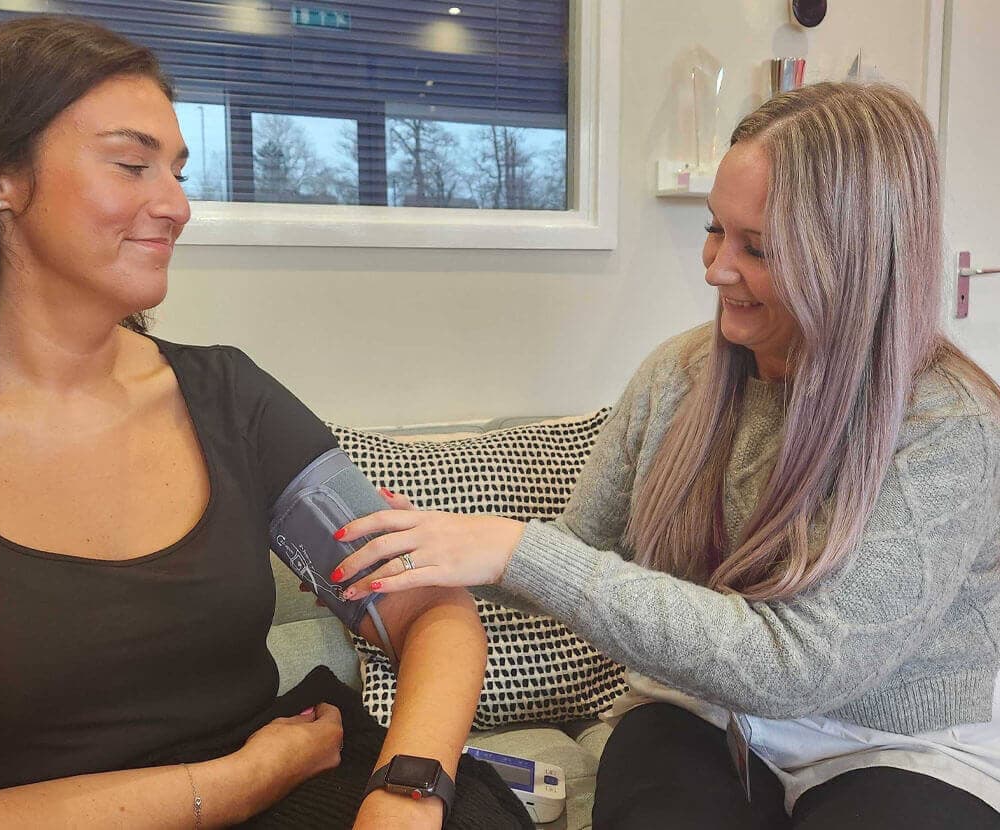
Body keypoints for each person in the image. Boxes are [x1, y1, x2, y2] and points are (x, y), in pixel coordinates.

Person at [335, 82, 1000, 829]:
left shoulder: (949, 425)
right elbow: (578, 550)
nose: (715, 268)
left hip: (895, 745)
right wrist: (435, 549)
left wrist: (514, 550)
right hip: (700, 716)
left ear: (858, 257)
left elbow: (798, 665)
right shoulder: (677, 376)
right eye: (715, 229)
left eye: (760, 247)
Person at [0, 17, 497, 829]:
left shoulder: (227, 395)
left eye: (178, 170)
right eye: (132, 164)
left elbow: (427, 606)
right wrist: (241, 779)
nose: (177, 205)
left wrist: (407, 790)